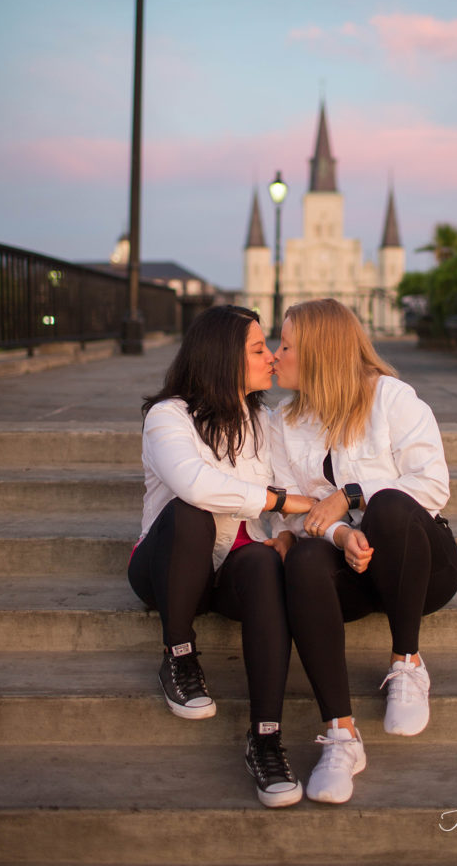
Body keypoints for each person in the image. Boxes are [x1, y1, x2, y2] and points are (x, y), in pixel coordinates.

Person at [270, 298, 457, 804]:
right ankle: (341, 733)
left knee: (393, 506)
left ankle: (407, 662)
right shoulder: (283, 422)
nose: (275, 354)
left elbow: (433, 485)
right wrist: (338, 533)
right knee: (306, 560)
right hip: (352, 569)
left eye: (287, 345)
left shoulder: (392, 399)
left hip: (421, 564)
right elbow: (291, 511)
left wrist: (352, 495)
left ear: (319, 352)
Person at [127, 305, 314, 808]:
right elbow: (194, 482)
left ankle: (266, 737)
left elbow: (300, 488)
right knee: (192, 512)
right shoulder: (169, 416)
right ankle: (179, 656)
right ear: (222, 358)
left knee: (263, 562)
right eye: (259, 349)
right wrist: (276, 502)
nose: (272, 357)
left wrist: (290, 532)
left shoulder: (264, 420)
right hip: (166, 566)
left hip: (230, 570)